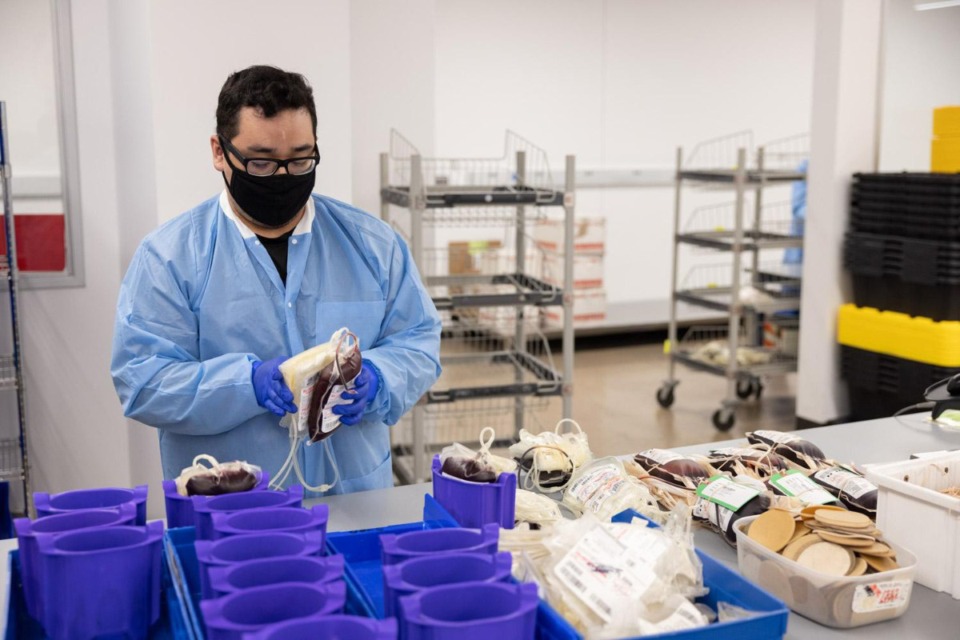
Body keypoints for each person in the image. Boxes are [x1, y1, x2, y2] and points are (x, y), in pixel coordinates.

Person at [111, 65, 442, 495]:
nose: (283, 177)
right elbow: (142, 381)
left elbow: (419, 340)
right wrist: (242, 384)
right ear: (219, 151)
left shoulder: (373, 245)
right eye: (262, 162)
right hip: (232, 511)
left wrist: (380, 377)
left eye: (301, 159)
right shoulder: (170, 258)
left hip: (356, 499)